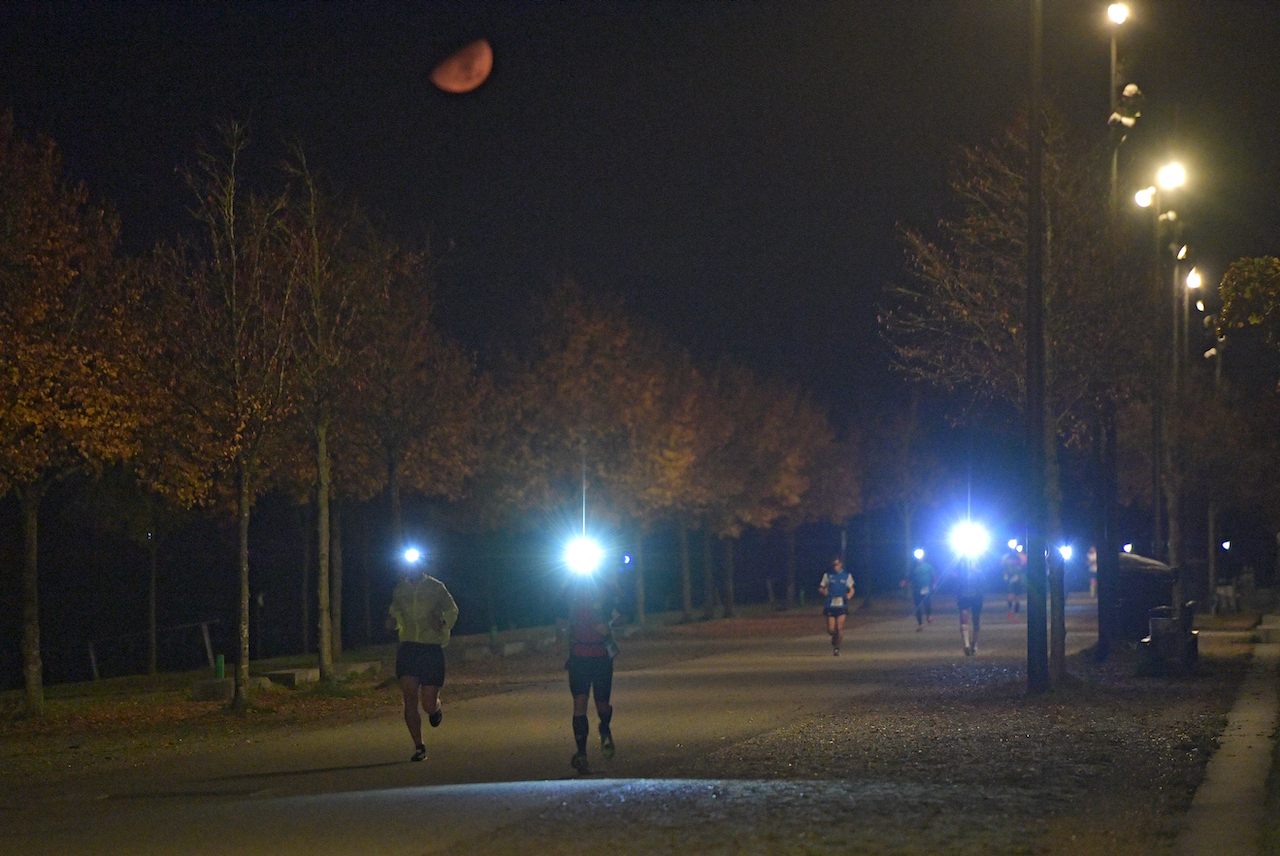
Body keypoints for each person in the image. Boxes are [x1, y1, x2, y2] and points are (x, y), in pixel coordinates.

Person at [386, 560, 459, 763]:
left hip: (431, 649)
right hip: (409, 649)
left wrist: (443, 622)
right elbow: (395, 612)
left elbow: (452, 610)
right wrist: (392, 622)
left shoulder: (436, 587)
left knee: (426, 704)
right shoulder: (400, 589)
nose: (412, 569)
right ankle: (419, 747)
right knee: (409, 698)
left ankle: (435, 708)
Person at [558, 571, 621, 775]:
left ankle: (604, 727)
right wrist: (562, 639)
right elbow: (560, 622)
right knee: (580, 704)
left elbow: (623, 614)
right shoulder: (568, 593)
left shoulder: (606, 590)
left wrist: (609, 626)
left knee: (602, 705)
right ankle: (582, 754)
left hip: (601, 657)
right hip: (579, 658)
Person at [818, 556, 855, 656]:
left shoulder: (846, 576)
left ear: (840, 564)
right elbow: (821, 588)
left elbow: (852, 589)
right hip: (830, 604)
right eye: (834, 565)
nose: (835, 567)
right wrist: (823, 591)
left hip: (841, 604)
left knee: (839, 627)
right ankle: (835, 638)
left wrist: (849, 595)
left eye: (837, 565)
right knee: (831, 629)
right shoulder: (828, 575)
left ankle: (837, 648)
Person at [901, 551, 935, 631]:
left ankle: (928, 615)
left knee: (927, 603)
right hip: (916, 589)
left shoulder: (927, 566)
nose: (919, 560)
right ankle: (920, 624)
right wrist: (904, 582)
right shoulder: (913, 568)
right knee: (918, 607)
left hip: (925, 588)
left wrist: (934, 584)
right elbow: (910, 577)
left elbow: (933, 575)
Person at [957, 560, 985, 656]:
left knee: (976, 620)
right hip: (964, 594)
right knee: (964, 616)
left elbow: (984, 578)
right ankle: (966, 645)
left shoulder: (979, 561)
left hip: (976, 595)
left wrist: (977, 571)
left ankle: (974, 642)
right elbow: (954, 575)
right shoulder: (960, 562)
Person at [1001, 547, 1026, 620]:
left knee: (1017, 596)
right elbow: (1002, 566)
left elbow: (1022, 565)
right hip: (1009, 578)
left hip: (1016, 578)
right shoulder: (1006, 557)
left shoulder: (1019, 557)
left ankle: (1016, 612)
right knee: (1010, 596)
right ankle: (1011, 609)